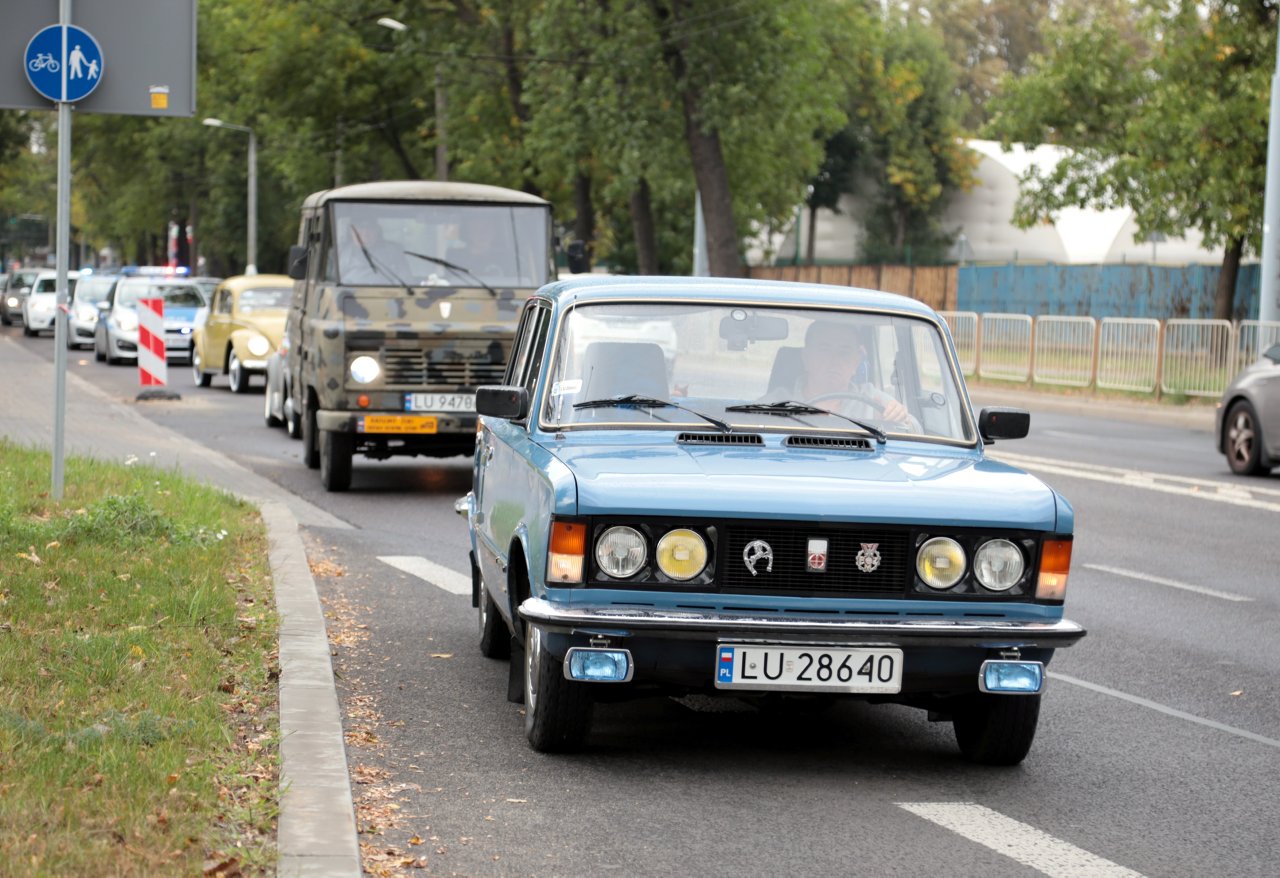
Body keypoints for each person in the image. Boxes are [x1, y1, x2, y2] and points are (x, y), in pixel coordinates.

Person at [769, 318, 918, 429]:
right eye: (824, 350)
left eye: (844, 352)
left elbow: (916, 430)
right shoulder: (777, 402)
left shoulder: (872, 400)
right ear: (806, 357)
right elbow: (748, 423)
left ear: (857, 361)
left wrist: (899, 417)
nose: (834, 360)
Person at [338, 217, 410, 284]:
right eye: (360, 229)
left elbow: (406, 280)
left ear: (377, 231)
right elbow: (332, 285)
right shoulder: (341, 252)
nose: (365, 234)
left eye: (370, 229)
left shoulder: (393, 251)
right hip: (348, 296)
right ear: (351, 232)